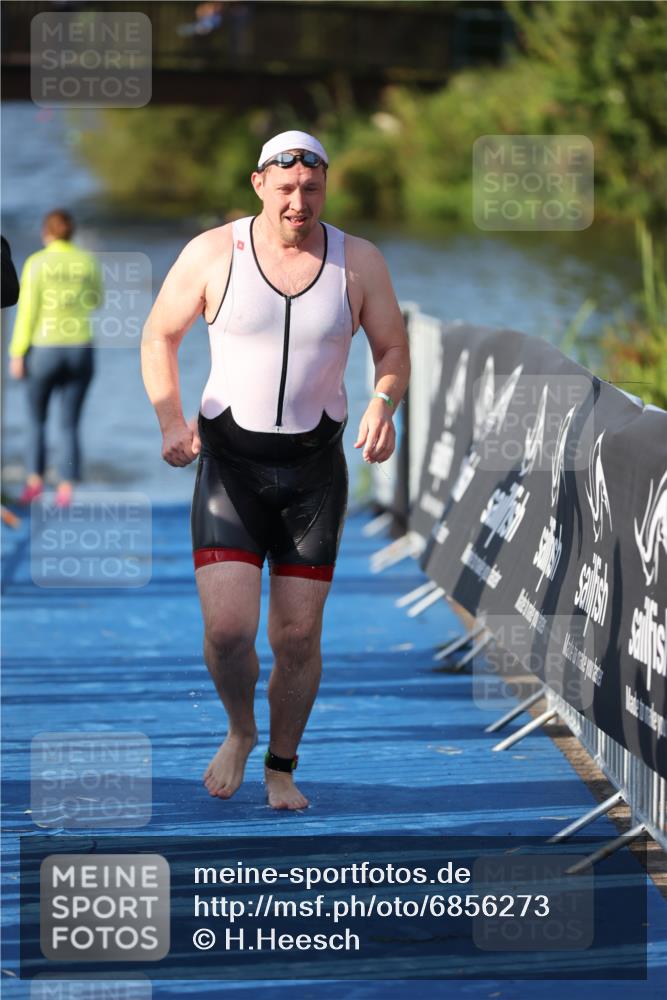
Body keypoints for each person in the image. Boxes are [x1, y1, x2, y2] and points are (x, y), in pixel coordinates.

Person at [141, 130, 410, 810]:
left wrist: (383, 401)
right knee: (228, 631)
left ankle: (281, 766)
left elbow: (392, 347)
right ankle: (238, 729)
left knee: (297, 637)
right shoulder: (212, 252)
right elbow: (158, 336)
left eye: (311, 189)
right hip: (230, 466)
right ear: (259, 183)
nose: (299, 202)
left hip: (313, 475)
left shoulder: (359, 262)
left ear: (325, 189)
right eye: (285, 188)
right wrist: (172, 420)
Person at [8, 210, 102, 507]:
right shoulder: (87, 261)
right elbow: (96, 299)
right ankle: (65, 489)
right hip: (80, 348)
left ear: (45, 233)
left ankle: (35, 483)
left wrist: (16, 352)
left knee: (36, 419)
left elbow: (27, 311)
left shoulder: (36, 263)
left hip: (44, 349)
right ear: (71, 233)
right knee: (70, 422)